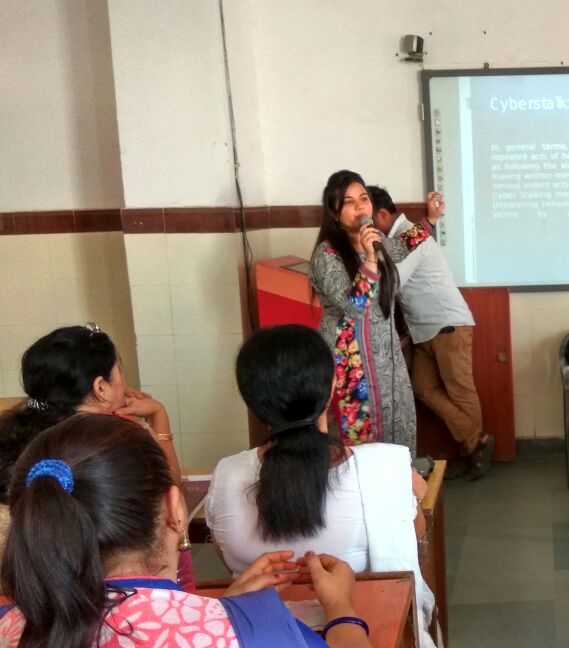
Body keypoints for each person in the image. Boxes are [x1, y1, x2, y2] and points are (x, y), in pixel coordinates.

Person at [0, 413, 373, 648]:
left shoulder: (11, 625)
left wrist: (220, 607)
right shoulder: (258, 633)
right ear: (174, 508)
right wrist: (340, 608)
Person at [206, 324, 438, 648]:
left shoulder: (227, 474)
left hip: (261, 636)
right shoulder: (384, 467)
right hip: (369, 628)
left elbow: (225, 555)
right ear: (332, 386)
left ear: (251, 400)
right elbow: (413, 533)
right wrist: (412, 495)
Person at [0, 324, 188, 586]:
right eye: (119, 371)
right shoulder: (118, 441)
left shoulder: (16, 439)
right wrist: (158, 416)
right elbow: (171, 506)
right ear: (101, 388)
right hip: (110, 591)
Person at [368, 186, 493, 479]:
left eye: (369, 218)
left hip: (447, 325)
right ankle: (478, 444)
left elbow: (394, 283)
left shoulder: (412, 237)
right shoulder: (397, 239)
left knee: (461, 392)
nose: (367, 227)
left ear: (383, 214)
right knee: (423, 388)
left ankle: (473, 454)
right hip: (424, 331)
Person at [311, 170, 419, 451]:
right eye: (349, 201)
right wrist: (370, 258)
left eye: (364, 198)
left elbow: (401, 248)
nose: (360, 206)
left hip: (386, 359)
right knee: (359, 445)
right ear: (334, 213)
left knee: (397, 430)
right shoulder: (328, 253)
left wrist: (430, 221)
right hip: (351, 365)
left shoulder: (377, 240)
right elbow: (354, 306)